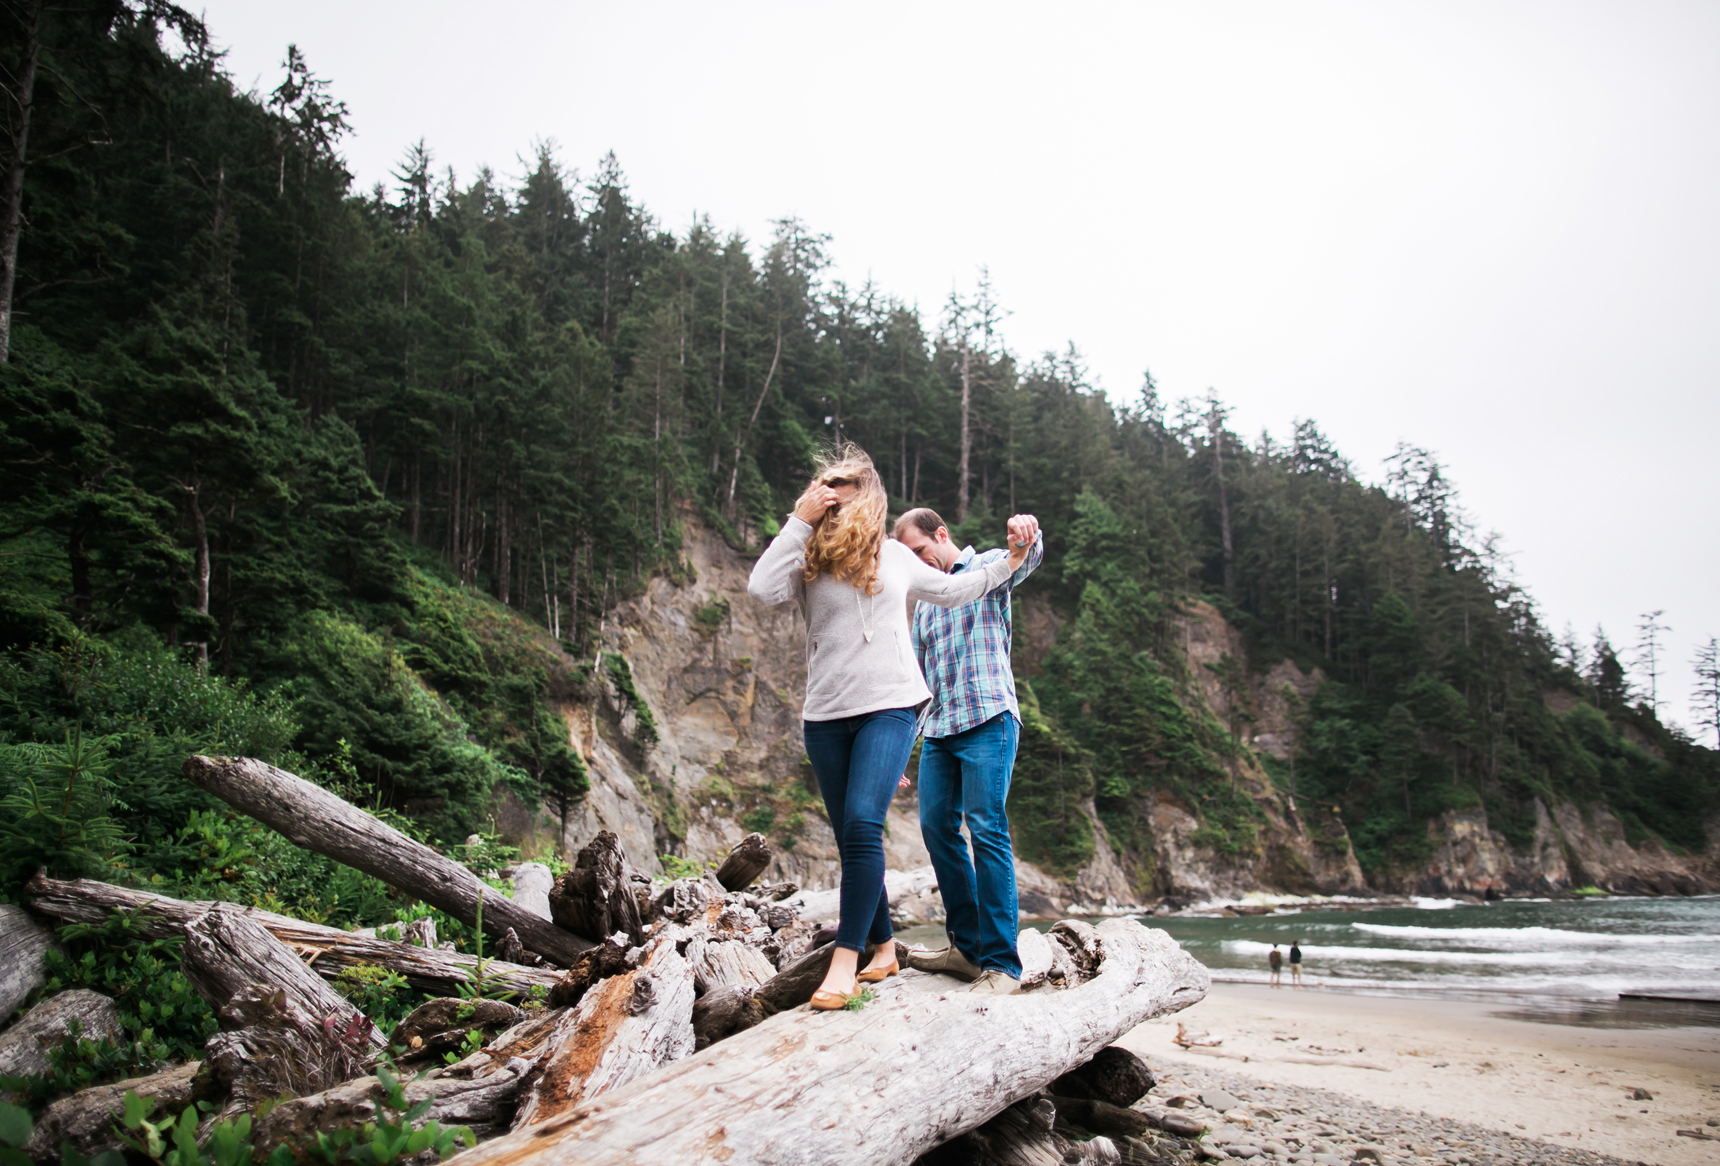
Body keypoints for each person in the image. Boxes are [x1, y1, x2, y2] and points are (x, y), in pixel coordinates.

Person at [747, 445, 1032, 1010]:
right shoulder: (804, 557)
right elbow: (759, 591)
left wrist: (1014, 560)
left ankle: (847, 960)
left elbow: (956, 588)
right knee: (860, 835)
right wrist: (799, 520)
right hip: (826, 714)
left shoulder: (895, 557)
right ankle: (886, 947)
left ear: (867, 502)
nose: (833, 507)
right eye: (824, 497)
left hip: (897, 709)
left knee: (864, 826)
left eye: (842, 497)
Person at [892, 506, 1043, 996]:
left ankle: (1002, 965)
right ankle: (966, 948)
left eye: (920, 551)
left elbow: (1028, 554)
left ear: (941, 534)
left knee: (987, 830)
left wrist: (1025, 531)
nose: (918, 562)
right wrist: (896, 751)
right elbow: (916, 684)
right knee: (937, 829)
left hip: (989, 720)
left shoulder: (989, 566)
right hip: (939, 730)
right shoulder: (924, 604)